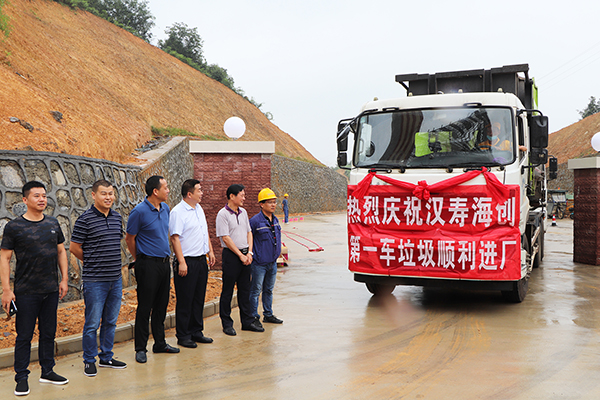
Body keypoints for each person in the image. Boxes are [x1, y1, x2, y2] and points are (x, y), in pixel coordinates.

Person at [0, 181, 69, 396]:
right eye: (36, 196)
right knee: (24, 336)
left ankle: (47, 371)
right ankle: (21, 377)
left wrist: (64, 279)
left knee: (48, 333)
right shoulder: (14, 227)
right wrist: (6, 289)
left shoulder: (52, 223)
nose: (42, 199)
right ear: (25, 200)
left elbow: (61, 252)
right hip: (26, 291)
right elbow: (5, 258)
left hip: (50, 290)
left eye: (44, 196)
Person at [70, 179, 127, 377]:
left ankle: (107, 357)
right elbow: (74, 247)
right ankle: (89, 360)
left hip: (115, 279)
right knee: (92, 323)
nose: (108, 197)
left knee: (110, 321)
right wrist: (92, 260)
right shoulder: (85, 219)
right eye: (104, 193)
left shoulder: (117, 217)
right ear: (93, 195)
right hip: (95, 281)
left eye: (111, 193)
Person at [125, 175, 180, 364]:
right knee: (145, 307)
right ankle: (140, 348)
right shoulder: (139, 212)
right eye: (165, 187)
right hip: (147, 264)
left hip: (164, 264)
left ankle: (160, 343)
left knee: (161, 305)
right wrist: (138, 257)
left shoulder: (165, 208)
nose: (168, 190)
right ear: (155, 191)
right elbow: (130, 238)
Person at [169, 179, 216, 348]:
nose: (202, 192)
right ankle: (183, 335)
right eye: (199, 190)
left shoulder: (199, 209)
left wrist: (210, 250)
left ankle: (196, 331)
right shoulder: (178, 212)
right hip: (186, 261)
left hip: (200, 260)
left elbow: (205, 231)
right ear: (189, 194)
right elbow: (174, 238)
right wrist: (181, 262)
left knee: (198, 298)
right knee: (185, 300)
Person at [216, 184, 264, 336]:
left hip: (246, 255)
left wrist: (249, 252)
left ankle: (247, 321)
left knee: (245, 290)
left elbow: (249, 232)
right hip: (231, 256)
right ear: (232, 196)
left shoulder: (243, 212)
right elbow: (225, 238)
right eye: (241, 195)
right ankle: (227, 323)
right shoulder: (222, 214)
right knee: (228, 291)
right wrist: (240, 255)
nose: (244, 198)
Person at [249, 189, 283, 325]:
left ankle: (268, 314)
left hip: (272, 263)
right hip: (259, 264)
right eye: (269, 202)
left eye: (274, 202)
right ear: (261, 204)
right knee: (256, 291)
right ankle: (253, 317)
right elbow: (248, 239)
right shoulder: (255, 221)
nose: (273, 205)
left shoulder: (275, 220)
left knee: (268, 290)